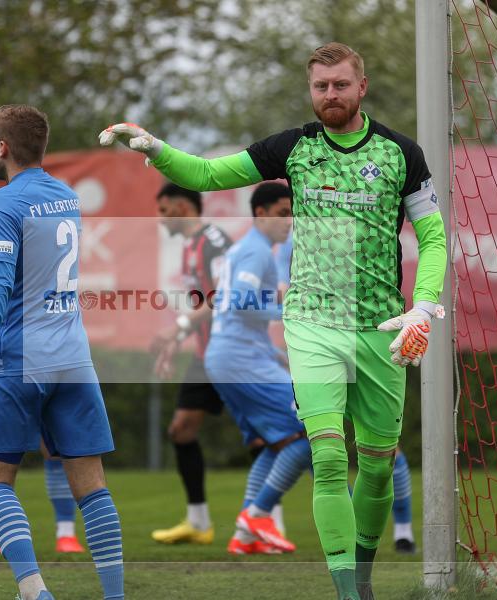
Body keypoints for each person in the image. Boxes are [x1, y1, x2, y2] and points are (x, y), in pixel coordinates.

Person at [100, 41, 447, 600]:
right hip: (311, 324)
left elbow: (433, 238)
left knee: (379, 467)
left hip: (381, 330)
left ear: (362, 87)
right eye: (320, 86)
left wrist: (423, 304)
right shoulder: (292, 148)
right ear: (311, 90)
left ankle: (362, 576)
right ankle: (348, 593)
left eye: (340, 84)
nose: (330, 95)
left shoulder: (402, 153)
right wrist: (158, 150)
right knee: (328, 457)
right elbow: (207, 174)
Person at [0, 104, 123, 600]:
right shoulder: (67, 197)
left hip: (19, 359)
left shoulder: (3, 202)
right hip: (73, 358)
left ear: (2, 147)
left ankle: (35, 592)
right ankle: (115, 596)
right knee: (92, 486)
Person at [275, 233, 417, 555]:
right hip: (319, 347)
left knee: (383, 455)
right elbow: (287, 297)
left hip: (368, 342)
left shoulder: (367, 226)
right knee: (318, 446)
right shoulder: (297, 240)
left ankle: (402, 530)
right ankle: (262, 515)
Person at [0, 240, 84, 555]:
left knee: (56, 448)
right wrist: (6, 317)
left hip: (47, 361)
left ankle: (66, 533)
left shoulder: (49, 245)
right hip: (3, 364)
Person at [205, 182, 311, 556]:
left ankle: (245, 535)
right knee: (310, 430)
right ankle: (258, 514)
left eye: (291, 214)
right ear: (261, 213)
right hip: (240, 359)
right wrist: (288, 312)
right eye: (282, 214)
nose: (289, 222)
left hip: (232, 356)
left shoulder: (245, 248)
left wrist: (273, 354)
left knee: (278, 440)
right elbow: (242, 304)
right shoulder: (258, 251)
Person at [148, 183, 229, 545]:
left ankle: (267, 523)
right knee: (181, 430)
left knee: (274, 436)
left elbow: (225, 296)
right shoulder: (189, 246)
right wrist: (177, 338)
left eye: (164, 210)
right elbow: (201, 307)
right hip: (206, 355)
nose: (160, 218)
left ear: (182, 206)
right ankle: (198, 523)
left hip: (234, 353)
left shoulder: (214, 241)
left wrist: (178, 326)